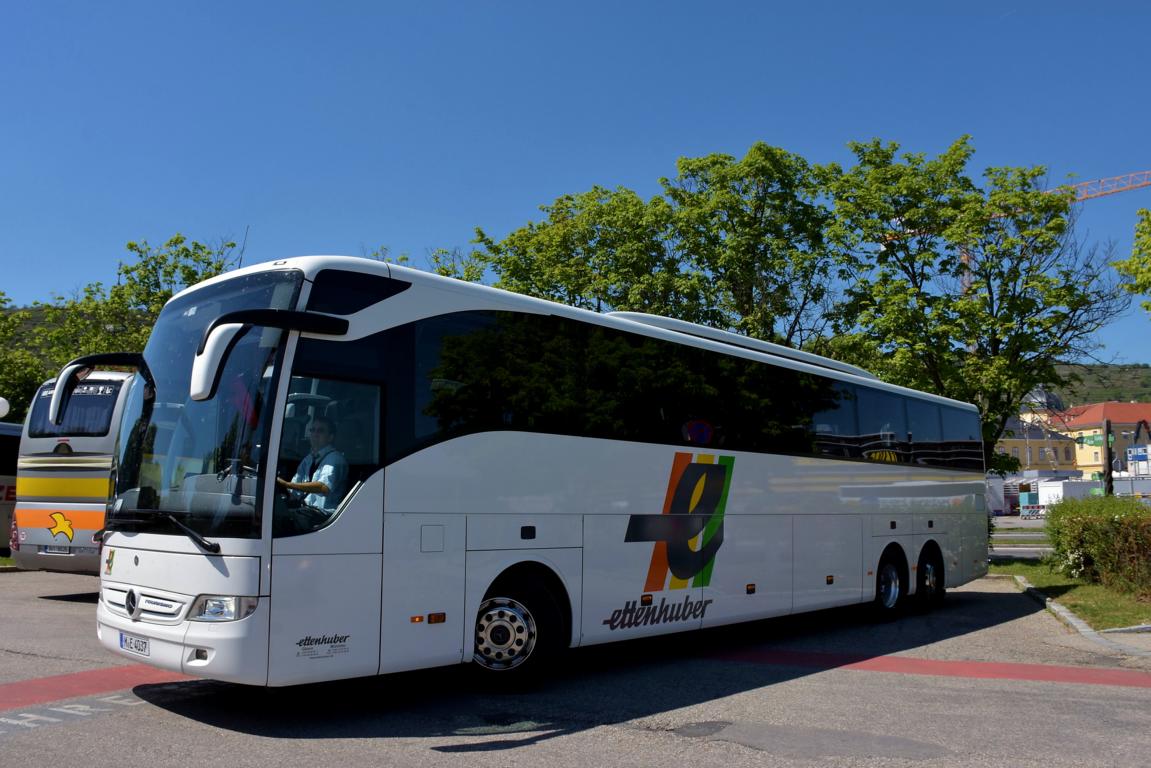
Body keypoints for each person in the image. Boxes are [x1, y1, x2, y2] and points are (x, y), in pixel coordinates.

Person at [276, 415, 348, 514]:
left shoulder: (335, 459)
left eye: (320, 431)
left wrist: (287, 484)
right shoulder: (308, 459)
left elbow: (323, 487)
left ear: (330, 437)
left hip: (323, 515)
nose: (315, 434)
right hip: (305, 510)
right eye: (312, 430)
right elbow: (295, 491)